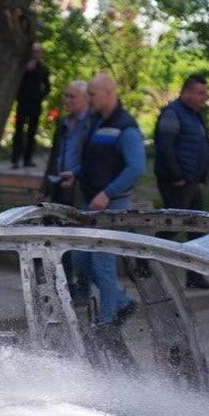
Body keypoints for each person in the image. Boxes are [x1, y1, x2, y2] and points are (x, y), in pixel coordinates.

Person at [71, 73, 145, 326]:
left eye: (92, 94)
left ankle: (107, 323)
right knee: (79, 258)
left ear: (109, 93)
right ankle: (122, 302)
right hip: (91, 201)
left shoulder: (126, 127)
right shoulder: (96, 121)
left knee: (102, 263)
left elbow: (136, 168)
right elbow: (95, 162)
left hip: (111, 204)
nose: (88, 99)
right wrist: (75, 174)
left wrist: (108, 193)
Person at [154, 74, 209, 289]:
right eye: (200, 93)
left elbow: (202, 147)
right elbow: (164, 147)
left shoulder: (195, 115)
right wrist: (177, 176)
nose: (204, 98)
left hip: (192, 181)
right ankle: (144, 258)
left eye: (205, 94)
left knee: (196, 228)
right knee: (173, 225)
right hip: (178, 182)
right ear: (187, 92)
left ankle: (195, 276)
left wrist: (201, 177)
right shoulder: (173, 113)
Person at [39, 79, 91, 207]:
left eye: (72, 97)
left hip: (80, 186)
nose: (67, 100)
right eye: (66, 95)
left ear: (86, 99)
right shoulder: (63, 123)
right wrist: (44, 189)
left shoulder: (92, 123)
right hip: (59, 184)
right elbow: (54, 157)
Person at [10, 43, 51, 169]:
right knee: (18, 131)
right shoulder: (22, 67)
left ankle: (28, 159)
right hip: (22, 102)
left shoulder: (44, 69)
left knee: (32, 133)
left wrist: (40, 96)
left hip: (35, 104)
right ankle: (15, 159)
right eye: (34, 51)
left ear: (41, 53)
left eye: (38, 51)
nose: (36, 54)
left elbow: (48, 87)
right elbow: (15, 82)